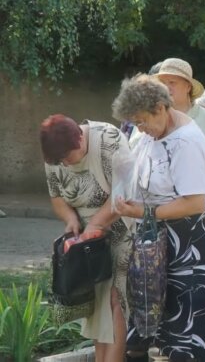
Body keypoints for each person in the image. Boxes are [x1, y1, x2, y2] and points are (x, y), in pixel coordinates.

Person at [112, 75, 205, 361]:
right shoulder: (151, 131)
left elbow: (194, 203)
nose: (140, 128)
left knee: (187, 307)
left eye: (142, 121)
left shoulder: (185, 142)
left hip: (192, 232)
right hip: (166, 230)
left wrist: (142, 212)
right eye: (135, 123)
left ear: (161, 108)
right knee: (165, 306)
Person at [40, 115, 132, 362]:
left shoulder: (109, 139)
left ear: (80, 138)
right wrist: (70, 220)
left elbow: (123, 192)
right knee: (94, 306)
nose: (66, 164)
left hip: (121, 230)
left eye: (69, 157)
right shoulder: (55, 153)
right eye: (60, 161)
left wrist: (95, 223)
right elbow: (57, 198)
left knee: (116, 300)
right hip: (86, 240)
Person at [151, 58, 205, 239]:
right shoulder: (151, 119)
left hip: (200, 213)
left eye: (172, 82)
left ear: (188, 86)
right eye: (162, 83)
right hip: (158, 216)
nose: (167, 88)